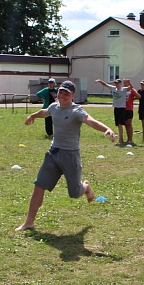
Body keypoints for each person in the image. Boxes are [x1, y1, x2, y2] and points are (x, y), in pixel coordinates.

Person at [16, 81, 115, 231]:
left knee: (75, 193)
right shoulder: (54, 106)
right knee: (39, 186)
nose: (62, 96)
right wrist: (33, 115)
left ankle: (86, 187)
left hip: (70, 155)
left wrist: (106, 128)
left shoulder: (76, 110)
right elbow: (45, 112)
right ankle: (29, 222)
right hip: (53, 153)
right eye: (60, 92)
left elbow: (90, 121)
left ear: (72, 96)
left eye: (66, 94)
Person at [96, 78, 129, 144]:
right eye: (116, 83)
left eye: (118, 83)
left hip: (122, 108)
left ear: (120, 84)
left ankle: (121, 139)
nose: (117, 84)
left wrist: (129, 82)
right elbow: (106, 85)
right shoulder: (114, 88)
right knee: (118, 124)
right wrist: (100, 81)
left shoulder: (123, 89)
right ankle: (121, 139)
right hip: (116, 108)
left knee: (120, 124)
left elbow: (131, 88)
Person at [123, 79, 139, 146]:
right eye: (124, 82)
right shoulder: (123, 90)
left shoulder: (132, 90)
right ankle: (127, 138)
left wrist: (133, 98)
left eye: (127, 82)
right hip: (123, 109)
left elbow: (138, 96)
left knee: (129, 124)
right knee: (125, 124)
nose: (125, 84)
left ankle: (130, 139)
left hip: (129, 109)